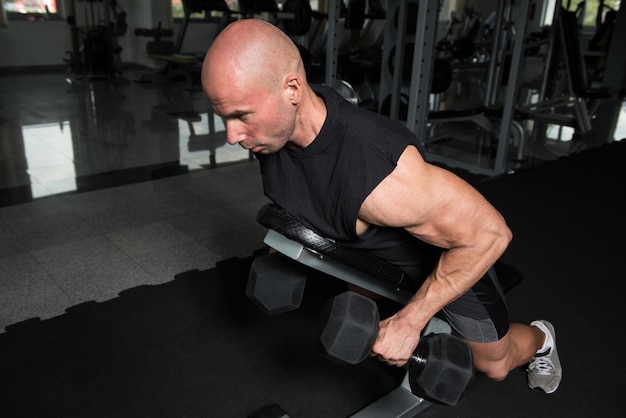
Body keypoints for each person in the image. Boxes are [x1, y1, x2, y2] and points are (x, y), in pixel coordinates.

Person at [201, 19, 562, 395]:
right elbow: (314, 194)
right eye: (223, 116)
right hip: (371, 255)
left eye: (241, 116)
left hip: (447, 260)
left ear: (292, 88)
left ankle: (541, 338)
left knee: (494, 364)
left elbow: (490, 233)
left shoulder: (381, 171)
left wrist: (410, 322)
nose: (232, 136)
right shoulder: (278, 129)